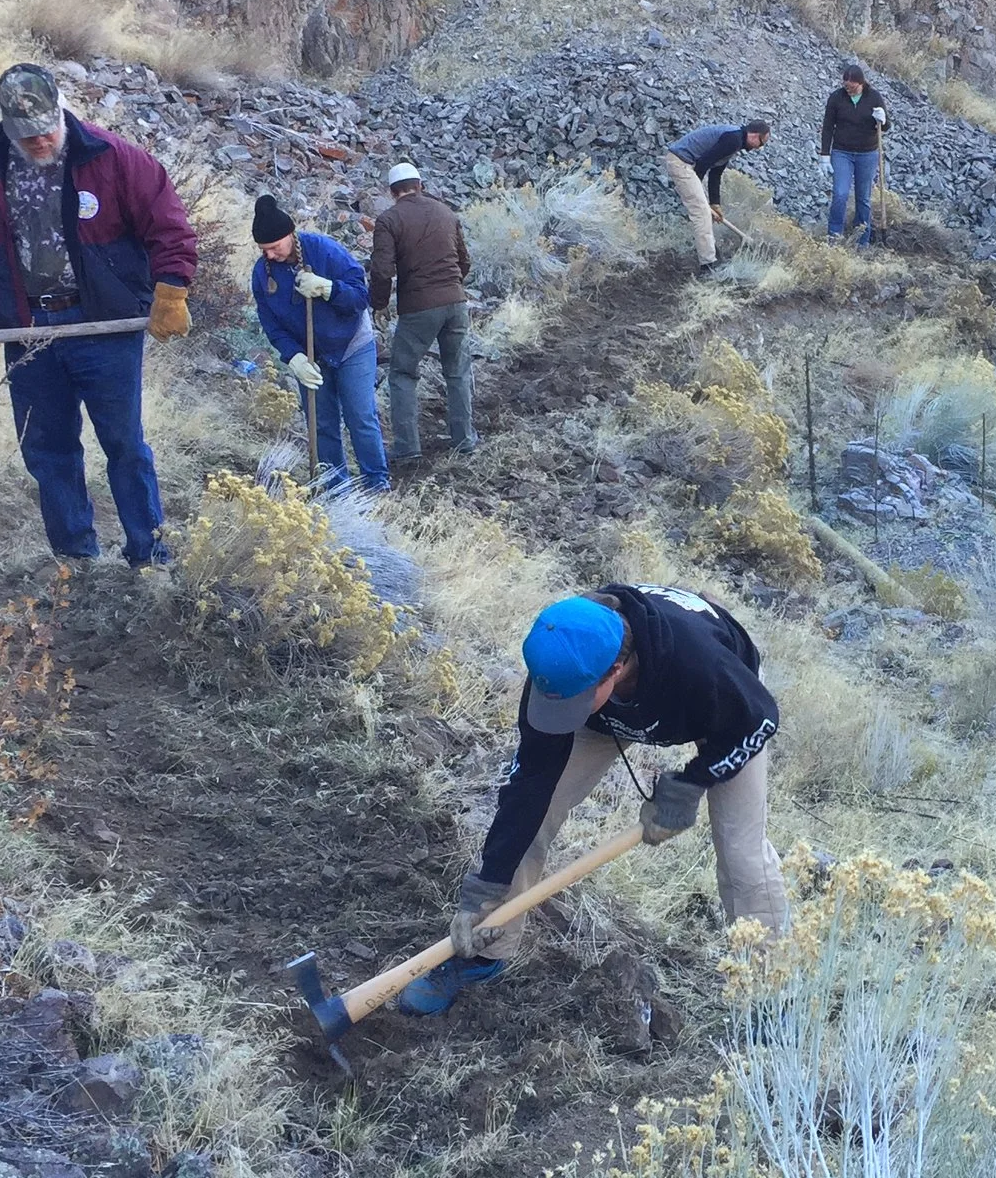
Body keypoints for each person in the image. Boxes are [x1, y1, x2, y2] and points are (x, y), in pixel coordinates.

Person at [401, 585, 789, 1015]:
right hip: (609, 711)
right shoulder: (560, 664)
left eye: (576, 701)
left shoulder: (701, 666)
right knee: (536, 815)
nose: (564, 709)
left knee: (741, 852)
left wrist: (690, 785)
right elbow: (527, 787)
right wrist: (486, 886)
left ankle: (767, 992)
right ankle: (486, 953)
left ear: (616, 670)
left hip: (726, 715)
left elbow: (759, 720)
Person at [0, 62, 195, 567]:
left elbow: (169, 225)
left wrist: (171, 291)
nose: (40, 140)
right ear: (6, 124)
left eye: (46, 128)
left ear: (61, 111)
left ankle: (150, 556)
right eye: (26, 133)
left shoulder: (112, 156)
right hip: (26, 328)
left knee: (124, 445)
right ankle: (76, 560)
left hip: (104, 325)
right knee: (48, 450)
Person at [252, 193, 387, 493]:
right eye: (264, 250)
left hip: (352, 344)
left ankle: (377, 483)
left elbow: (359, 297)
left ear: (290, 234)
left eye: (274, 247)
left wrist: (328, 289)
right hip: (311, 355)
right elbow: (271, 324)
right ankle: (335, 488)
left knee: (360, 416)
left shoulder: (324, 251)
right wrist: (294, 357)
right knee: (321, 423)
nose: (270, 255)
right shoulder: (262, 275)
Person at [368, 162, 477, 461]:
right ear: (421, 185)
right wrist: (451, 287)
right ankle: (464, 439)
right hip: (456, 303)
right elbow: (464, 260)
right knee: (457, 371)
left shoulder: (389, 220)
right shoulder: (446, 212)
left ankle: (407, 447)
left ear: (392, 192)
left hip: (418, 307)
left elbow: (382, 270)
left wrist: (378, 303)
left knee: (403, 373)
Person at [660, 121, 771, 276]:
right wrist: (700, 198)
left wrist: (714, 204)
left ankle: (710, 251)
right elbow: (703, 164)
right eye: (761, 143)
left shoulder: (736, 140)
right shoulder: (733, 140)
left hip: (687, 164)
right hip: (681, 163)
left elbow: (715, 173)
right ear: (754, 135)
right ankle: (708, 265)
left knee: (705, 209)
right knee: (701, 212)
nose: (759, 148)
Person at [819, 64, 888, 245]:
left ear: (861, 83)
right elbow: (828, 127)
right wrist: (824, 155)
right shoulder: (836, 98)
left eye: (852, 87)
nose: (848, 90)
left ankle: (862, 240)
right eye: (846, 86)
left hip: (867, 154)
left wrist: (883, 119)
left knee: (863, 198)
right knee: (840, 194)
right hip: (842, 152)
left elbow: (885, 127)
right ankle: (834, 237)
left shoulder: (874, 97)